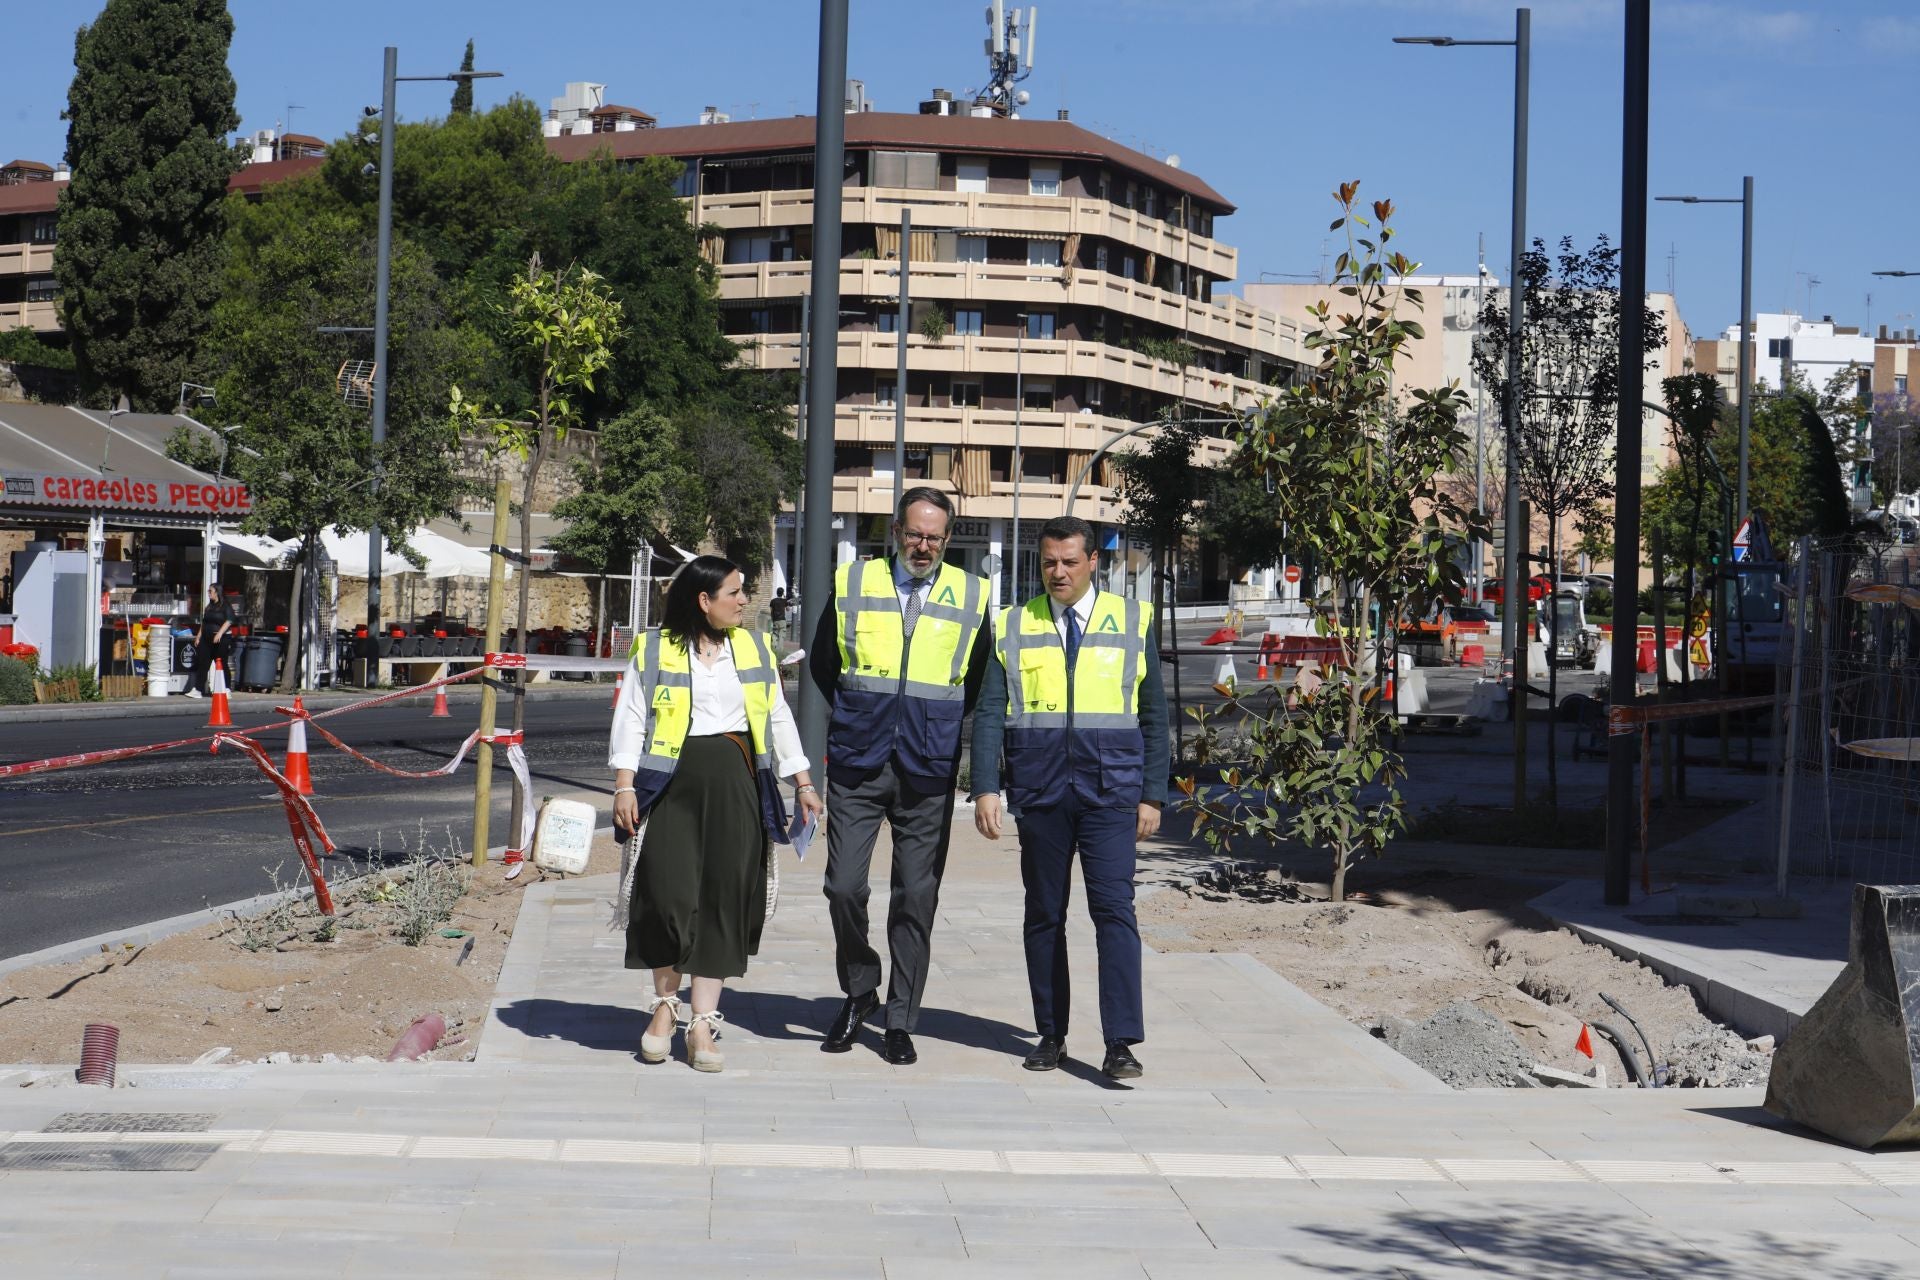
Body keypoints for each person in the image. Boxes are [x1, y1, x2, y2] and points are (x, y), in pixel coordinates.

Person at [970, 515, 1168, 1081]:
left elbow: (1154, 715)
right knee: (1044, 914)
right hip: (1041, 791)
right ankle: (1051, 1033)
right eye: (1049, 562)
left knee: (1114, 912)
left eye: (1069, 562)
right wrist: (986, 785)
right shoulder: (1012, 624)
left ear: (1092, 563)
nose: (1058, 572)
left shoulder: (1133, 620)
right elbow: (989, 712)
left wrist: (1151, 794)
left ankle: (1121, 1042)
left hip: (1111, 792)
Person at [610, 555, 825, 1073]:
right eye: (734, 593)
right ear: (704, 601)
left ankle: (702, 1023)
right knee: (666, 893)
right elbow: (632, 717)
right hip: (669, 786)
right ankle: (664, 1007)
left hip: (737, 783)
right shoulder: (655, 647)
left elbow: (777, 715)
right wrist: (623, 784)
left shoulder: (753, 647)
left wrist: (803, 782)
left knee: (723, 897)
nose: (744, 601)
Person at [809, 487, 991, 1064]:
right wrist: (864, 716)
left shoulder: (972, 593)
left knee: (915, 894)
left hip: (927, 767)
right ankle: (860, 990)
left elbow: (977, 680)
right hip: (860, 761)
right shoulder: (854, 582)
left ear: (947, 539)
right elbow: (822, 664)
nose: (924, 545)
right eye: (915, 534)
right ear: (895, 531)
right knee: (843, 886)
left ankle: (900, 1017)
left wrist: (931, 724)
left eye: (935, 537)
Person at [186, 586, 231, 699]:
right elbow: (204, 622)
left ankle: (226, 689)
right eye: (208, 591)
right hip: (206, 638)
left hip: (220, 640)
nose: (208, 593)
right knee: (203, 663)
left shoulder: (225, 606)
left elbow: (229, 620)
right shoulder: (209, 607)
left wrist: (220, 633)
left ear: (217, 592)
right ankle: (198, 689)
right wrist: (199, 636)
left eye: (210, 591)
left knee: (221, 663)